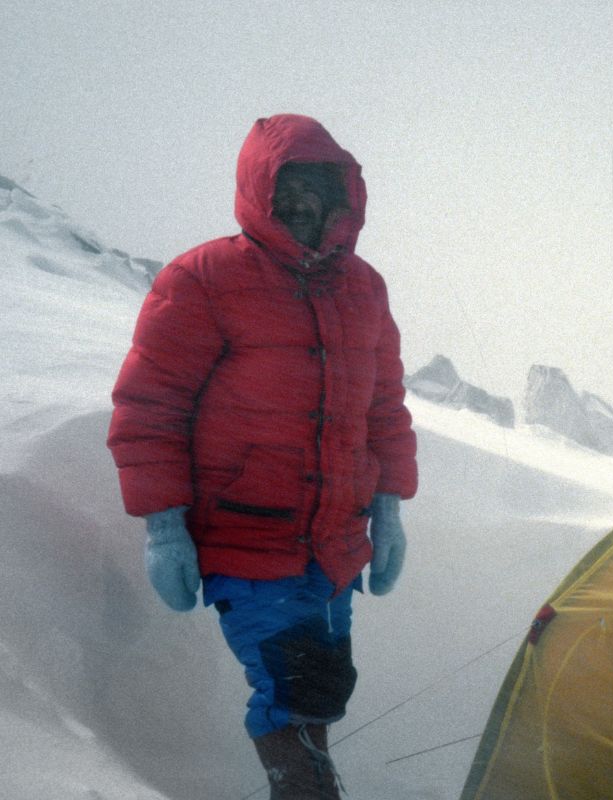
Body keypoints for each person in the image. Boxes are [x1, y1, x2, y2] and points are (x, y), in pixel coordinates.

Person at [107, 113, 418, 799]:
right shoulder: (203, 279)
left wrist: (389, 511)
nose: (304, 201)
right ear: (258, 189)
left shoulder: (364, 288)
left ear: (345, 195)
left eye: (318, 184)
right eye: (288, 184)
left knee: (322, 689)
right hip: (246, 539)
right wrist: (163, 528)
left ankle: (309, 781)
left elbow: (384, 407)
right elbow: (149, 407)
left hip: (337, 542)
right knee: (293, 688)